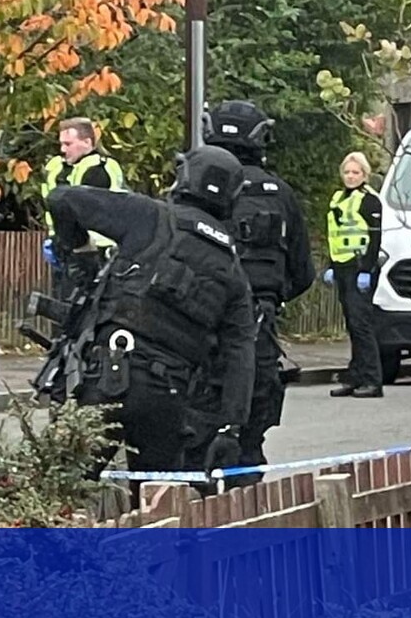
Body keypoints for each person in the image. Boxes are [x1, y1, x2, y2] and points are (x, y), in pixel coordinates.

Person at [45, 145, 257, 506]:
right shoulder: (234, 273)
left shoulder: (150, 216)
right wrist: (230, 428)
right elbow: (240, 356)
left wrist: (80, 254)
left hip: (108, 378)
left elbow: (61, 199)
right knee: (160, 507)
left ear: (184, 179)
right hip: (167, 399)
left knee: (62, 492)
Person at [182, 100, 314, 489]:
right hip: (258, 332)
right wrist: (271, 299)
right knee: (247, 444)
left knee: (193, 439)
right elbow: (302, 272)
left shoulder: (193, 189)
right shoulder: (281, 194)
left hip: (200, 329)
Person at [40, 117, 127, 301]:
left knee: (85, 310)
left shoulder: (99, 169)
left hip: (95, 253)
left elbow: (87, 213)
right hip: (65, 250)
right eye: (61, 144)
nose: (63, 149)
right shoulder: (58, 167)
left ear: (87, 142)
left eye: (68, 144)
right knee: (64, 313)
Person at [325, 152, 384, 398]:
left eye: (355, 172)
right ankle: (355, 376)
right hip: (342, 266)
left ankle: (372, 380)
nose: (350, 176)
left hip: (361, 267)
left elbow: (375, 238)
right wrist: (330, 265)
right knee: (352, 324)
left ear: (364, 175)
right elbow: (334, 234)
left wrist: (367, 270)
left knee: (362, 326)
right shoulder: (338, 198)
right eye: (347, 172)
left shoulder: (370, 200)